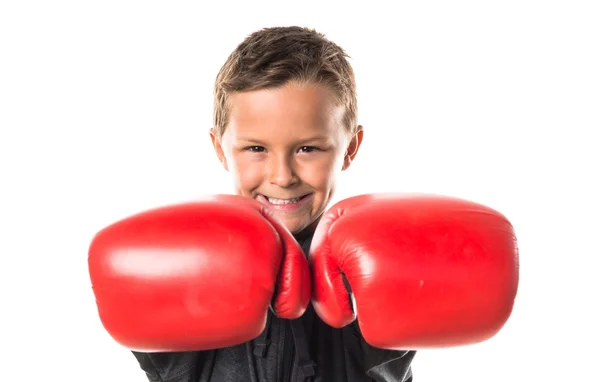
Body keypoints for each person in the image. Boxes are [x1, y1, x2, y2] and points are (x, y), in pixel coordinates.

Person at [88, 26, 519, 382]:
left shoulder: (378, 253)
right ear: (220, 148)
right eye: (256, 148)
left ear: (350, 148)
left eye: (308, 149)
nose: (282, 175)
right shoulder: (181, 258)